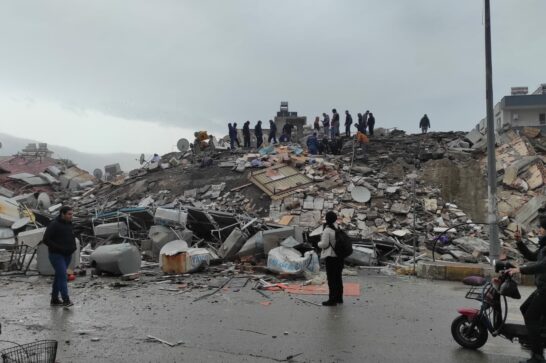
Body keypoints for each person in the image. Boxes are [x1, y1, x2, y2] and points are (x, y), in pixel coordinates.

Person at [508, 218, 546, 363]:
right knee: (525, 308)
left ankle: (537, 356)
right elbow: (531, 256)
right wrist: (519, 242)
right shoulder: (543, 247)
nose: (539, 230)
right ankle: (535, 339)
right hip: (542, 288)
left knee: (531, 316)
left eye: (541, 228)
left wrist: (521, 269)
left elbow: (542, 266)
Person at [43, 206, 76, 307]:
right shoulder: (54, 224)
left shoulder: (69, 224)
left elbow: (71, 236)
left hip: (67, 255)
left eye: (72, 214)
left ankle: (54, 299)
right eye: (69, 214)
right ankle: (66, 300)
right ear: (63, 214)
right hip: (56, 255)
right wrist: (59, 248)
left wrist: (73, 247)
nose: (71, 216)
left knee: (59, 277)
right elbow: (46, 239)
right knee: (63, 276)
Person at [317, 211, 344, 306]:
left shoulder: (327, 230)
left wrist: (318, 243)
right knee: (338, 278)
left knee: (332, 279)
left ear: (327, 219)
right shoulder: (338, 227)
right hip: (340, 257)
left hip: (331, 257)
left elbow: (324, 244)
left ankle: (332, 300)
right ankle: (339, 298)